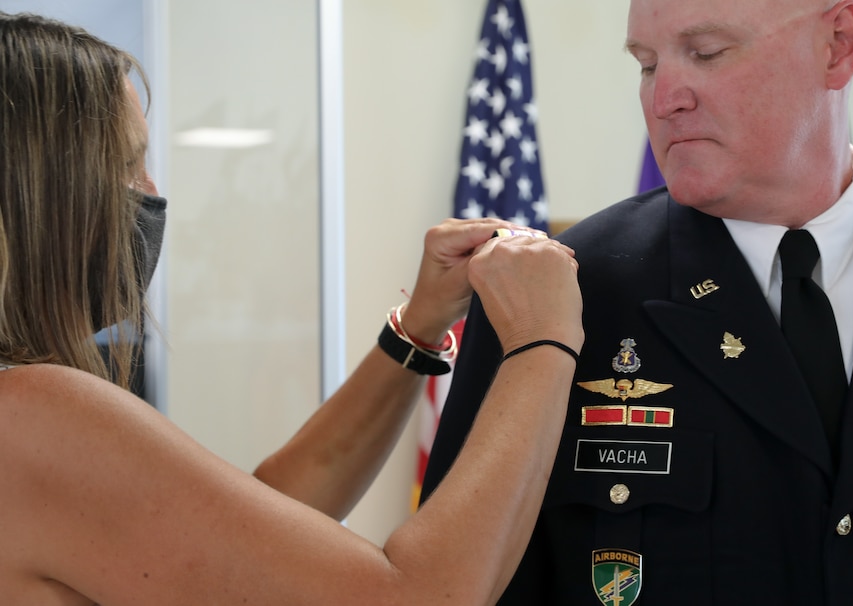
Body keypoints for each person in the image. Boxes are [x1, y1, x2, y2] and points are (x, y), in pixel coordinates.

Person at [421, 0, 853, 604]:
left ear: (838, 44)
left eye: (706, 53)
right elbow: (466, 586)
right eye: (647, 64)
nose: (664, 98)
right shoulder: (557, 300)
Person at [0, 11, 584, 605]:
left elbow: (256, 533)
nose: (152, 193)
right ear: (45, 199)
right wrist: (544, 340)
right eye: (127, 166)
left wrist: (420, 329)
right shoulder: (30, 414)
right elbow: (424, 598)